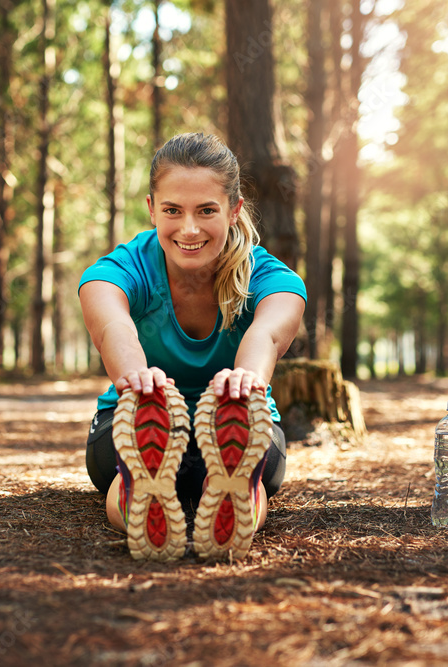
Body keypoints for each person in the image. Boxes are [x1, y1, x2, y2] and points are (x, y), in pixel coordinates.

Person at [78, 132, 306, 562]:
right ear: (151, 209)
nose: (189, 228)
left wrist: (247, 383)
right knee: (135, 452)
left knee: (244, 462)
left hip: (239, 427)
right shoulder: (122, 268)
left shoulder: (271, 278)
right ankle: (148, 484)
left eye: (206, 210)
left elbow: (268, 334)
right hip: (134, 424)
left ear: (234, 209)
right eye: (172, 211)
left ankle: (216, 505)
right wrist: (137, 383)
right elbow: (112, 324)